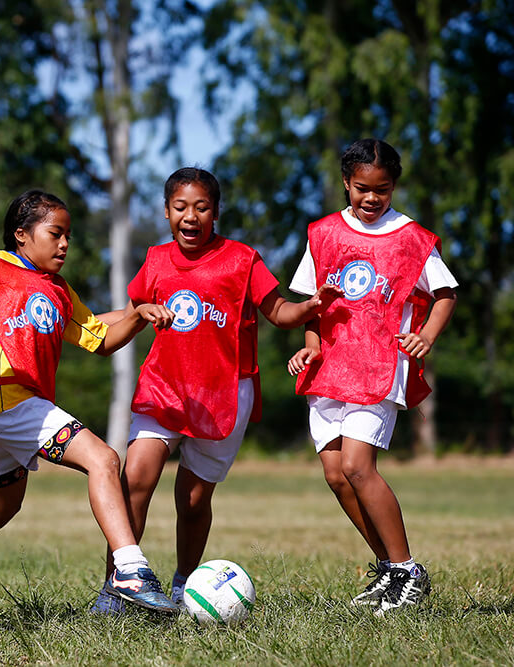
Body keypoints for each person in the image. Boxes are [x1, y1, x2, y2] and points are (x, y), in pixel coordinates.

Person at [0, 189, 180, 622]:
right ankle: (131, 571)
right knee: (103, 459)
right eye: (55, 233)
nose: (65, 244)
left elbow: (100, 339)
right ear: (21, 235)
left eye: (69, 236)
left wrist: (138, 315)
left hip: (10, 410)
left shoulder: (60, 290)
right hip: (4, 400)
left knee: (2, 506)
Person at [88, 167, 343, 615]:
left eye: (201, 207)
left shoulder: (242, 259)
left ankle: (184, 585)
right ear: (166, 212)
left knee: (191, 499)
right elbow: (128, 314)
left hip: (223, 395)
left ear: (216, 212)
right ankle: (117, 588)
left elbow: (278, 311)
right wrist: (75, 326)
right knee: (136, 480)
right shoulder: (156, 259)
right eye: (181, 207)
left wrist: (309, 308)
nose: (191, 216)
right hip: (163, 387)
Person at [287, 138, 457, 616]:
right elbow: (311, 306)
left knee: (359, 467)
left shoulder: (410, 238)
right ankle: (387, 568)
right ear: (346, 182)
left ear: (394, 187)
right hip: (330, 368)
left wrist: (426, 335)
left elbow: (445, 293)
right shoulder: (323, 234)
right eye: (362, 188)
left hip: (380, 367)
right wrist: (310, 346)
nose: (371, 198)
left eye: (382, 190)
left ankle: (408, 570)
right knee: (336, 474)